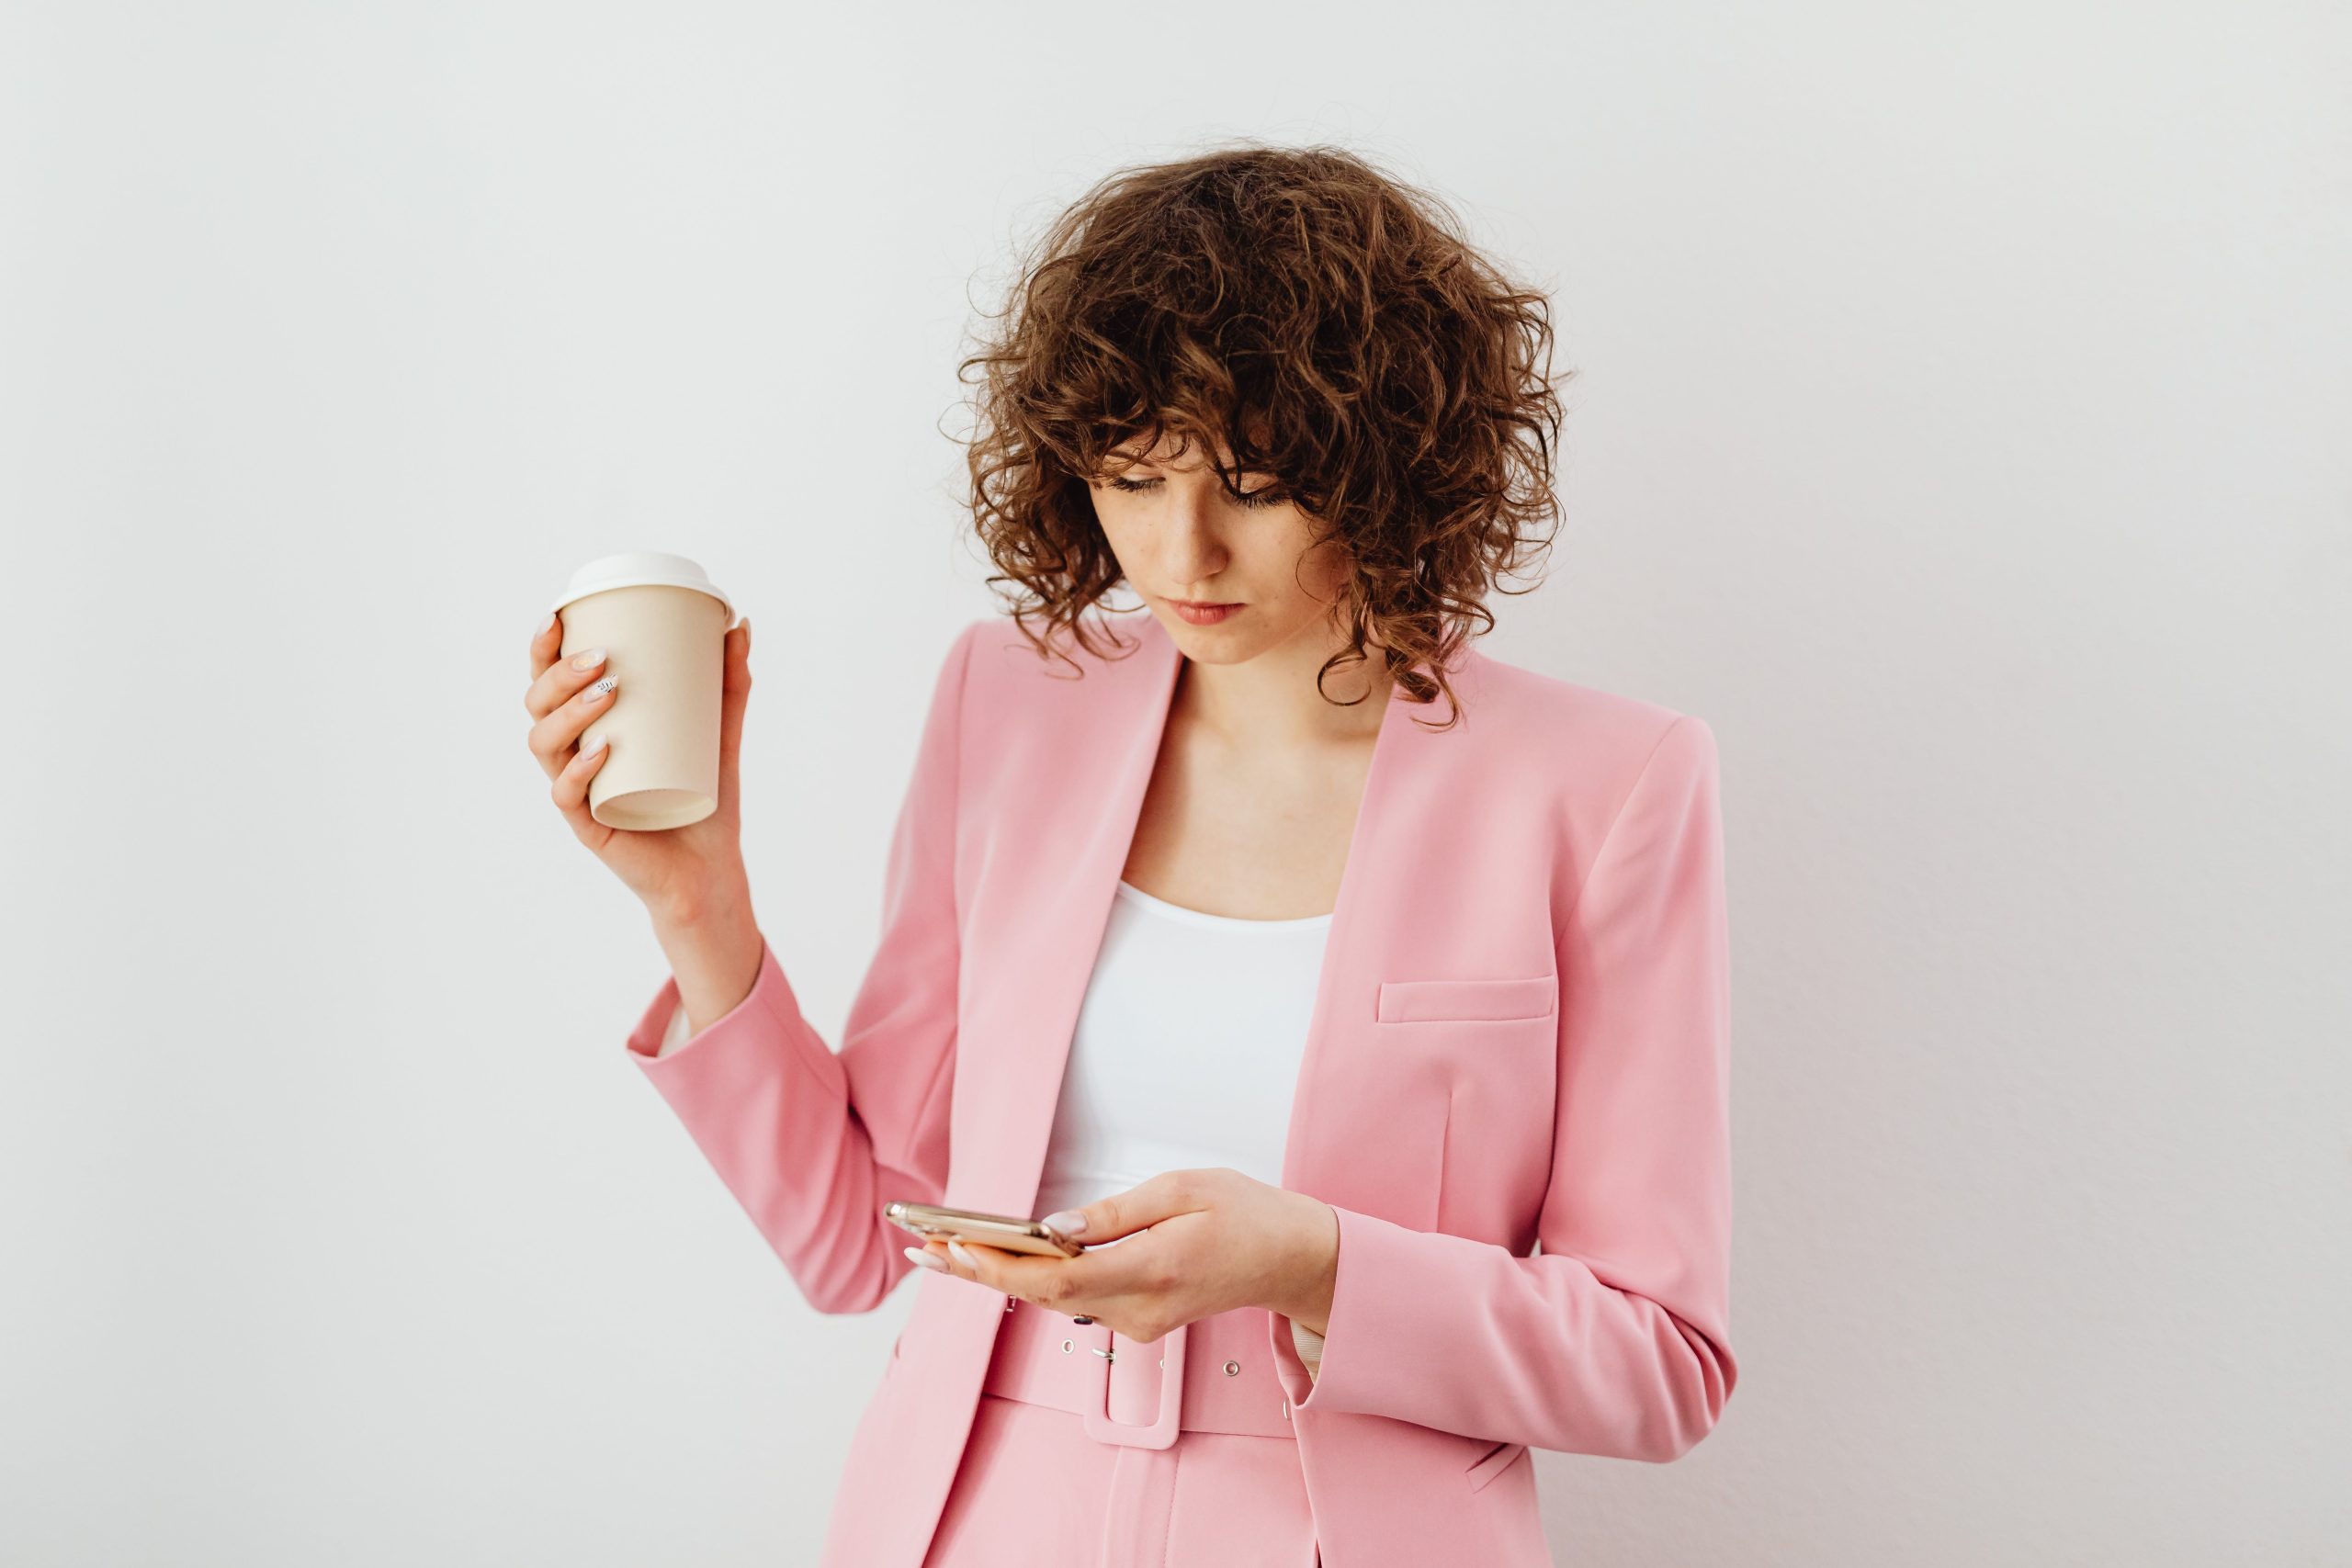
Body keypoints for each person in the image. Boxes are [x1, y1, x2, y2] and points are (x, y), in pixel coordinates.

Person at [521, 142, 1736, 1568]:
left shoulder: (1607, 784)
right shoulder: (1008, 705)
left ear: (1388, 464)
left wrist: (1309, 1260)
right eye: (1134, 473)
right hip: (975, 1517)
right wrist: (694, 898)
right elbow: (864, 1239)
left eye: (1257, 482)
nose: (1184, 553)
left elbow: (1662, 1360)